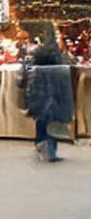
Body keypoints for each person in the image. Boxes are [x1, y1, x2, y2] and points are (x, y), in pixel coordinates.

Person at [24, 30, 73, 163]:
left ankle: (40, 143)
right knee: (52, 122)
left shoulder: (37, 58)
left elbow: (30, 79)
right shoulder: (58, 58)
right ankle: (50, 151)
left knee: (41, 120)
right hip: (54, 96)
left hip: (40, 95)